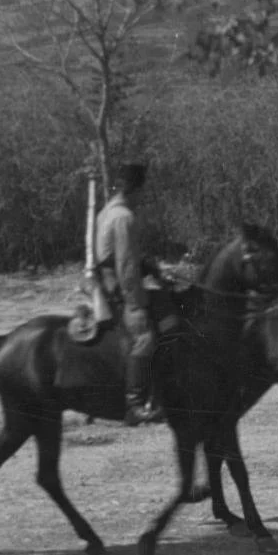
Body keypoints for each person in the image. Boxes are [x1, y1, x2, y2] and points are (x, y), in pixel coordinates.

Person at [95, 162, 165, 426]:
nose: (143, 197)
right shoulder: (124, 217)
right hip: (119, 290)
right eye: (142, 191)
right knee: (145, 336)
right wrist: (135, 306)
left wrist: (149, 267)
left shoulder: (107, 212)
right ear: (135, 190)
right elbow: (125, 266)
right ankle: (134, 404)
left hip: (108, 283)